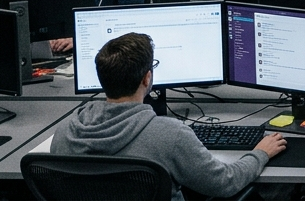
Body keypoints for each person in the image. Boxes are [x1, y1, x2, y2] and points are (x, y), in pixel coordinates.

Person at [52, 32, 286, 201]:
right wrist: (260, 154)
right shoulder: (169, 135)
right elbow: (225, 183)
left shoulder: (65, 132)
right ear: (146, 78)